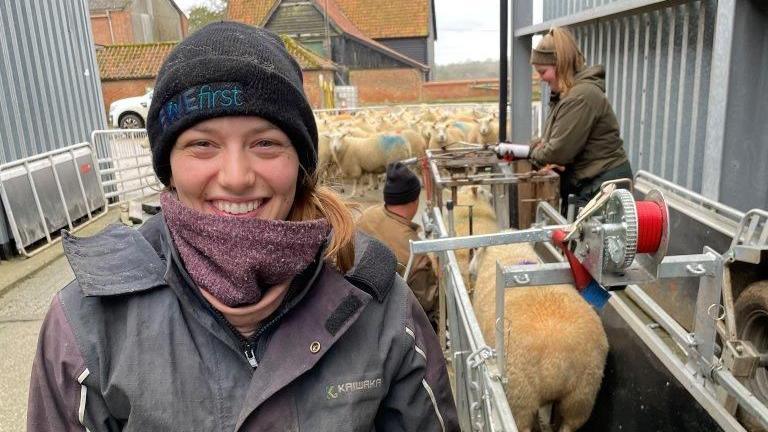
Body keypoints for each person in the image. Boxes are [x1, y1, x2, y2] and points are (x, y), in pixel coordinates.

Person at [27, 22, 458, 432]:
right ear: (169, 168)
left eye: (265, 143)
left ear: (299, 162)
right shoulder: (89, 326)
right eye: (202, 144)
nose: (235, 176)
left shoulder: (379, 307)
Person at [498, 26, 632, 215]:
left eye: (543, 71)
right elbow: (554, 141)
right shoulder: (566, 94)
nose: (541, 78)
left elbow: (558, 151)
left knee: (595, 242)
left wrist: (532, 153)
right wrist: (539, 150)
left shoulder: (581, 96)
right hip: (588, 183)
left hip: (602, 185)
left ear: (561, 65)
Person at [356, 162, 438, 329]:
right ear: (415, 201)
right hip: (393, 323)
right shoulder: (415, 253)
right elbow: (428, 302)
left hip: (358, 306)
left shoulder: (367, 215)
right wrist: (439, 271)